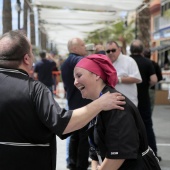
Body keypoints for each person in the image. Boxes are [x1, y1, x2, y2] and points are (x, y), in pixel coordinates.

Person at [0, 31, 126, 170]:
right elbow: (62, 123)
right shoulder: (34, 89)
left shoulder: (59, 69)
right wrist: (101, 103)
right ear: (26, 59)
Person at [74, 54, 161, 170]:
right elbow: (95, 149)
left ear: (96, 75)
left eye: (79, 76)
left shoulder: (116, 105)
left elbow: (118, 155)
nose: (75, 82)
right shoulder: (99, 103)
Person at [61, 37, 92, 170]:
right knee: (84, 137)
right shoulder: (79, 60)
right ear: (74, 48)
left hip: (73, 103)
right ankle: (81, 165)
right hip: (82, 104)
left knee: (75, 136)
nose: (85, 47)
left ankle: (72, 162)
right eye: (82, 45)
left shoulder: (65, 63)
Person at [130, 39, 161, 161]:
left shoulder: (127, 61)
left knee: (129, 125)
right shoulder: (147, 62)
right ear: (142, 50)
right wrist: (146, 85)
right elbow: (154, 79)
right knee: (147, 125)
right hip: (143, 98)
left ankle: (132, 153)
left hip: (128, 99)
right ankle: (152, 153)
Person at [105, 40, 142, 106]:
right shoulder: (105, 63)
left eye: (113, 50)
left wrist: (118, 80)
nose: (110, 53)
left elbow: (137, 78)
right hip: (111, 103)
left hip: (128, 102)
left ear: (119, 49)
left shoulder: (129, 61)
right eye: (108, 51)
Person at [143, 48, 163, 113]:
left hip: (141, 88)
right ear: (150, 55)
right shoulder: (154, 64)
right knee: (150, 106)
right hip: (151, 88)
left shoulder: (140, 63)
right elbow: (160, 77)